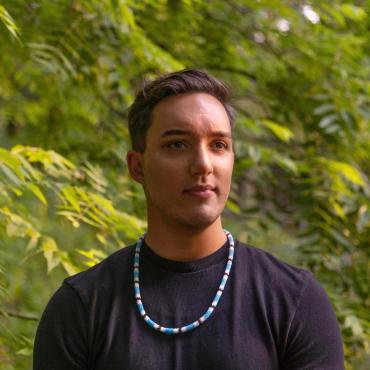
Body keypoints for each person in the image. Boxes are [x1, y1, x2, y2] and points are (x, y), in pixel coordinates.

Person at [33, 69, 344, 369]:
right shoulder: (82, 307)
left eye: (218, 145)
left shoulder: (294, 301)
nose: (202, 164)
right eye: (177, 144)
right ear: (137, 167)